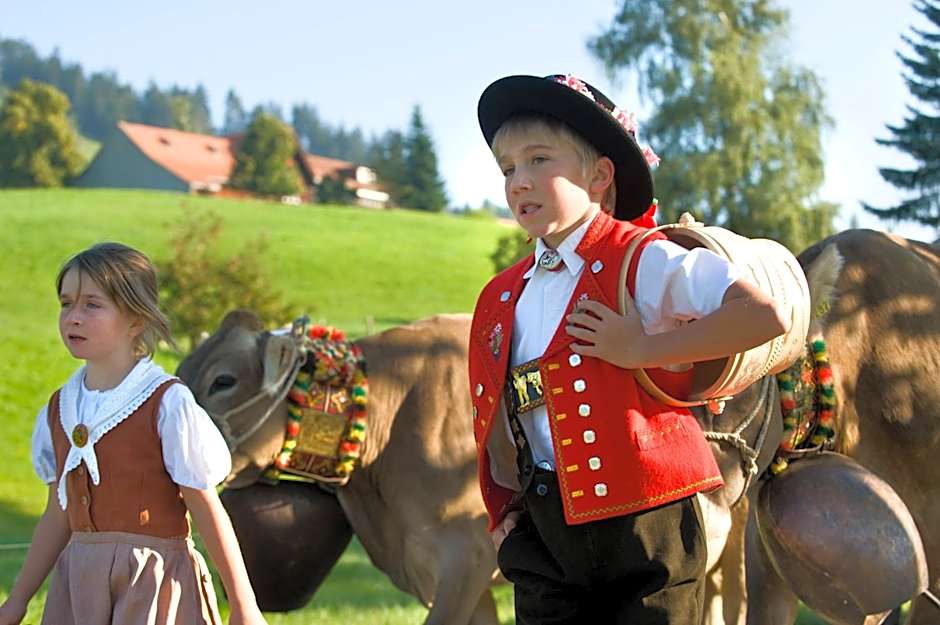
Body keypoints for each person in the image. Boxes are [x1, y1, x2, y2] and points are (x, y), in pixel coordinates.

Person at [468, 74, 790, 623]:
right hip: (544, 531)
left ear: (599, 176)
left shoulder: (644, 258)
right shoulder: (501, 296)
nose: (520, 181)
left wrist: (642, 347)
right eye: (507, 169)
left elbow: (763, 315)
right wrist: (504, 513)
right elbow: (495, 416)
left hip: (647, 525)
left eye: (539, 160)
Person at [0, 242, 267, 625]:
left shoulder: (167, 404)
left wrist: (243, 604)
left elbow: (205, 506)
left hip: (151, 584)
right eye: (66, 304)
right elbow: (58, 514)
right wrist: (17, 602)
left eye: (92, 305)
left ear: (136, 320)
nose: (73, 317)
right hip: (79, 586)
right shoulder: (59, 409)